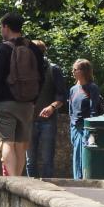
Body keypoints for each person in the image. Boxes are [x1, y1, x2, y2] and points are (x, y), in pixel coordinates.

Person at [0, 12, 45, 176]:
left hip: (6, 103)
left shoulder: (4, 48)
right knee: (21, 144)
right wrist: (34, 99)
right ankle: (19, 180)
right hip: (27, 104)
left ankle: (12, 181)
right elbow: (41, 76)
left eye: (2, 27)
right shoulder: (34, 48)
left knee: (7, 142)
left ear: (6, 26)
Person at [27, 39, 68, 178]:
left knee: (46, 160)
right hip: (29, 120)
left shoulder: (53, 69)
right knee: (30, 161)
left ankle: (47, 188)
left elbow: (62, 96)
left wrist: (52, 107)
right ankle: (31, 188)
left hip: (47, 121)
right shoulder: (25, 69)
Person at [68, 59, 104, 179]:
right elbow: (70, 109)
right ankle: (77, 179)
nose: (73, 71)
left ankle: (82, 180)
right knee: (76, 155)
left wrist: (90, 129)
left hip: (86, 126)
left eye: (75, 69)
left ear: (84, 71)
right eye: (73, 69)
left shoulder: (92, 88)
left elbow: (93, 108)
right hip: (75, 127)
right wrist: (72, 125)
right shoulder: (73, 89)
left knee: (83, 154)